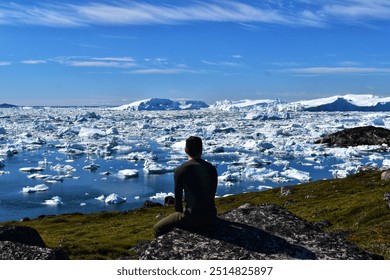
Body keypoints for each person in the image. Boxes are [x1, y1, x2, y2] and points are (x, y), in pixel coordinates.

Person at [153, 136, 218, 237]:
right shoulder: (211, 168)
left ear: (186, 150)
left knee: (157, 228)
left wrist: (182, 215)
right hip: (211, 216)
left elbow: (178, 205)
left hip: (192, 217)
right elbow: (211, 194)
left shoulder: (181, 170)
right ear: (201, 150)